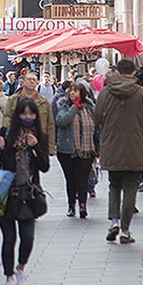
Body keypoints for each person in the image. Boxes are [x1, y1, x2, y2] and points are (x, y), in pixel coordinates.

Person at [94, 58, 143, 244]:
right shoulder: (142, 93)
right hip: (135, 144)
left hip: (111, 144)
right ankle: (125, 229)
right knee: (131, 187)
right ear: (134, 72)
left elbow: (98, 116)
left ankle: (114, 221)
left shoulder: (106, 92)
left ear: (117, 71)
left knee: (114, 184)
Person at [0, 98, 51, 285]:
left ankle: (21, 268)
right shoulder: (6, 134)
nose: (28, 118)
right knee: (8, 238)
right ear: (17, 116)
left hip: (28, 194)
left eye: (31, 114)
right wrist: (0, 150)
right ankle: (9, 276)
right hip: (6, 195)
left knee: (27, 237)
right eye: (24, 114)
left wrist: (35, 147)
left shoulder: (40, 136)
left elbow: (45, 167)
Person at [54, 81, 97, 219]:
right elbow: (62, 121)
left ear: (82, 93)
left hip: (86, 149)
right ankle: (71, 206)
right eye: (71, 91)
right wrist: (74, 108)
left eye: (76, 91)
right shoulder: (64, 106)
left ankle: (83, 206)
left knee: (83, 179)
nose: (72, 93)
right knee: (71, 179)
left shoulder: (90, 108)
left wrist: (98, 146)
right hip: (68, 150)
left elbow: (98, 127)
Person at [3, 71, 56, 155]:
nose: (31, 82)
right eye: (29, 79)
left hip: (38, 141)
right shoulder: (13, 99)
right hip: (17, 142)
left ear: (37, 83)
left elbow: (50, 125)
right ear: (23, 82)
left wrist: (50, 148)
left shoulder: (43, 102)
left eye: (34, 80)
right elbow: (7, 118)